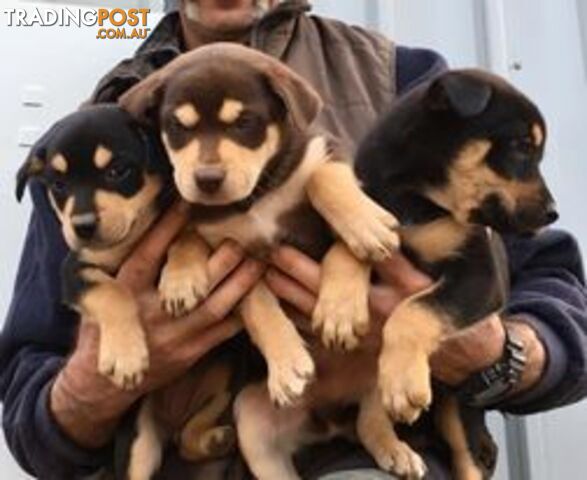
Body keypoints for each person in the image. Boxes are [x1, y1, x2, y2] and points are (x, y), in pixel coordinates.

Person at [1, 1, 586, 479]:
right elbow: (28, 405)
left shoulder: (403, 82)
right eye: (180, 135)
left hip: (363, 459)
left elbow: (555, 295)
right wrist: (93, 385)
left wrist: (491, 353)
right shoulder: (101, 132)